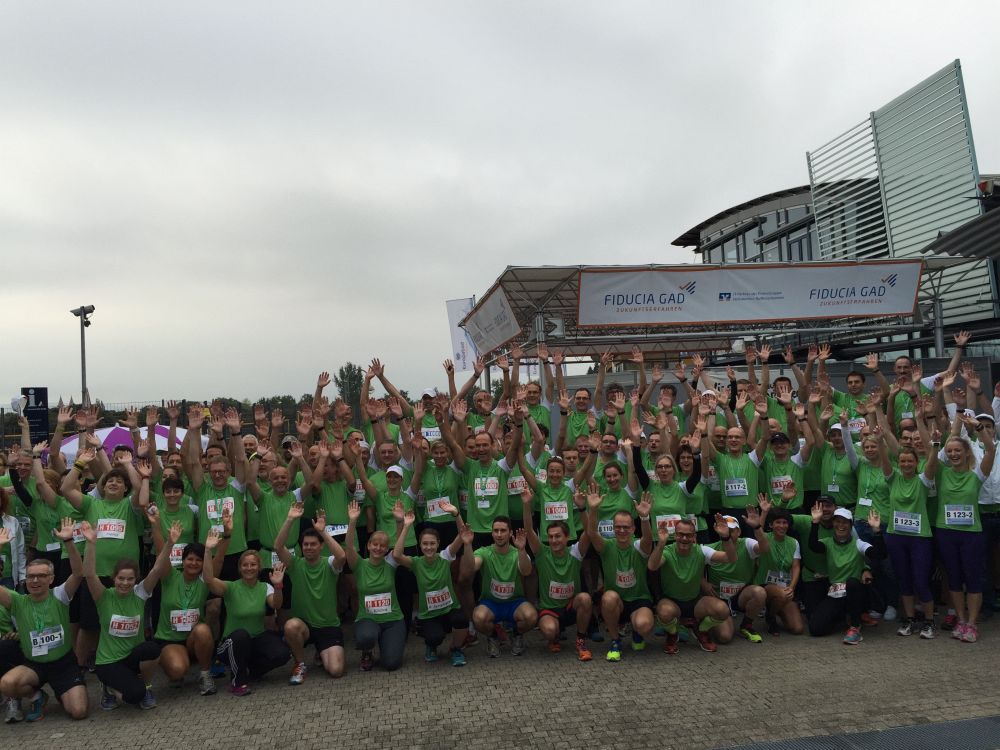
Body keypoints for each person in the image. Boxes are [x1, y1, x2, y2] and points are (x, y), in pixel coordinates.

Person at [83, 520, 177, 710]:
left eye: (130, 579)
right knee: (134, 695)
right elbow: (90, 574)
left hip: (132, 657)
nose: (125, 583)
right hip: (109, 662)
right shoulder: (103, 596)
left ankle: (147, 686)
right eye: (121, 578)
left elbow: (157, 569)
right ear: (114, 578)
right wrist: (91, 543)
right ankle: (108, 687)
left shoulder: (140, 593)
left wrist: (170, 543)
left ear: (136, 580)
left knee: (152, 649)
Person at [0, 518, 87, 722]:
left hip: (64, 665)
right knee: (7, 684)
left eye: (41, 576)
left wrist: (69, 542)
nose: (35, 580)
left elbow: (78, 573)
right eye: (31, 576)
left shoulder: (60, 595)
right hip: (34, 665)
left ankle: (64, 692)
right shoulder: (18, 601)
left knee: (79, 711)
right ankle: (37, 696)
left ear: (51, 578)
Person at [152, 509, 232, 696]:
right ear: (183, 561)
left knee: (203, 630)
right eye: (190, 559)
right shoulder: (169, 576)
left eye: (198, 560)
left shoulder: (205, 580)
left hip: (192, 638)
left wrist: (227, 534)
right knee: (177, 670)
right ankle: (169, 662)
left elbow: (219, 559)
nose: (194, 563)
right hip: (170, 639)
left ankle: (205, 675)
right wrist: (156, 525)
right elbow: (160, 552)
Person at [933, 415, 996, 643]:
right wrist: (945, 431)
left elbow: (990, 450)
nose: (953, 454)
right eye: (950, 451)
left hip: (971, 535)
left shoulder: (976, 475)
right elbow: (933, 454)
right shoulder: (941, 472)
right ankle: (960, 620)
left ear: (967, 452)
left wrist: (978, 427)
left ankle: (972, 623)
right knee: (954, 578)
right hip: (946, 533)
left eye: (957, 450)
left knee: (973, 579)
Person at [203, 533, 290, 695]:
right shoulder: (231, 587)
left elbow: (276, 604)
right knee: (241, 636)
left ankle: (251, 671)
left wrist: (278, 586)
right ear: (240, 568)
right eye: (245, 565)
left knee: (283, 653)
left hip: (255, 639)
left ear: (259, 567)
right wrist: (208, 550)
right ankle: (237, 682)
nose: (249, 568)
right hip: (231, 644)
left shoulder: (265, 587)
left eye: (253, 564)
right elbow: (208, 579)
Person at [275, 502, 347, 683]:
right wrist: (290, 519)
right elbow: (278, 547)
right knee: (290, 626)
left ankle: (320, 652)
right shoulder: (295, 565)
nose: (308, 547)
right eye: (305, 544)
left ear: (321, 546)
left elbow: (341, 556)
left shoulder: (329, 564)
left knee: (336, 670)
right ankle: (300, 664)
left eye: (313, 544)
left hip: (328, 625)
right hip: (305, 626)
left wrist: (322, 531)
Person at [520, 489, 593, 661]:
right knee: (549, 631)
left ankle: (581, 641)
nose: (554, 540)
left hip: (570, 607)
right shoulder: (542, 553)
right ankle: (555, 637)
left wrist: (582, 509)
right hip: (550, 609)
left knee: (585, 598)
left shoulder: (575, 552)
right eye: (551, 537)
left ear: (567, 537)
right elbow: (529, 530)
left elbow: (589, 532)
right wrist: (526, 504)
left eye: (558, 536)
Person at [392, 505, 469, 666]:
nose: (428, 547)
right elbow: (397, 555)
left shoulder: (445, 557)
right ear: (420, 545)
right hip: (429, 615)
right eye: (425, 544)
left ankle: (456, 648)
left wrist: (456, 514)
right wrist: (406, 526)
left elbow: (463, 535)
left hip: (449, 610)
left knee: (462, 620)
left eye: (432, 543)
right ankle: (431, 646)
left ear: (438, 543)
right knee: (435, 637)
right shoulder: (416, 563)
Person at [648, 516, 735, 654]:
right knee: (664, 612)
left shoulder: (702, 550)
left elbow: (731, 558)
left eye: (688, 535)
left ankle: (701, 630)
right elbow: (652, 566)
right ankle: (672, 634)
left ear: (694, 536)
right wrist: (661, 543)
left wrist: (725, 537)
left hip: (695, 602)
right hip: (672, 602)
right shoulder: (667, 551)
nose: (684, 538)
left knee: (722, 610)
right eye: (680, 534)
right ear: (675, 535)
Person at [584, 490, 654, 662]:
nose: (622, 530)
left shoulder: (639, 547)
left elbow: (648, 539)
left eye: (626, 527)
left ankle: (637, 633)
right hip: (617, 603)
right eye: (618, 527)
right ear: (613, 528)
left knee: (644, 625)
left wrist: (645, 517)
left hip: (639, 600)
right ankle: (616, 641)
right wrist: (593, 509)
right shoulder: (607, 547)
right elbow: (592, 533)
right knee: (608, 598)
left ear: (633, 529)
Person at [881, 437, 937, 639]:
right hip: (896, 537)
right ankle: (910, 620)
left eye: (910, 461)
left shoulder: (923, 480)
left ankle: (929, 622)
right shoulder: (893, 478)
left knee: (921, 582)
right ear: (898, 463)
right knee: (904, 581)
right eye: (903, 461)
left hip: (919, 539)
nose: (906, 464)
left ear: (916, 463)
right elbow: (884, 458)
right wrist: (879, 441)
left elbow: (932, 463)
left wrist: (935, 445)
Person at [807, 506, 887, 644]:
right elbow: (813, 546)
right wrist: (815, 522)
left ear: (851, 525)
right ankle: (844, 617)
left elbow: (880, 554)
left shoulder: (858, 544)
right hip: (836, 594)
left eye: (845, 522)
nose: (841, 525)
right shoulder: (828, 542)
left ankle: (855, 627)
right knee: (815, 628)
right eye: (837, 521)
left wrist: (876, 530)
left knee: (852, 583)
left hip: (856, 593)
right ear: (833, 524)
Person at [461, 516, 537, 657]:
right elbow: (470, 568)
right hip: (491, 603)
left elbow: (526, 571)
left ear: (510, 533)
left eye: (503, 530)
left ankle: (516, 634)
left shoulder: (517, 553)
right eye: (496, 531)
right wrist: (467, 545)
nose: (499, 534)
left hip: (515, 602)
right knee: (478, 618)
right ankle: (493, 637)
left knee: (531, 616)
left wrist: (522, 549)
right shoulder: (484, 552)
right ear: (492, 533)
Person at [344, 500, 406, 671]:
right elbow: (348, 546)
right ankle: (367, 651)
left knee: (391, 664)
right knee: (366, 637)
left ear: (387, 549)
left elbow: (399, 547)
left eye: (383, 546)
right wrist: (352, 521)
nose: (378, 548)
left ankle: (387, 645)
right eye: (375, 544)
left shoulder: (391, 563)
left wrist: (400, 522)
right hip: (368, 619)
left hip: (393, 620)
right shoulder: (359, 565)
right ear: (369, 545)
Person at [703, 503, 771, 644]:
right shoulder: (710, 548)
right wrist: (702, 582)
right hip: (719, 596)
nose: (728, 533)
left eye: (731, 530)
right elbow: (694, 564)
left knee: (759, 592)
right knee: (725, 637)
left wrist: (757, 527)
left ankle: (746, 625)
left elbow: (764, 549)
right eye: (725, 529)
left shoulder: (746, 543)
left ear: (738, 532)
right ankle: (709, 620)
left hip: (740, 594)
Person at [754, 499, 804, 636]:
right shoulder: (765, 538)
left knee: (797, 628)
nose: (782, 526)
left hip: (784, 588)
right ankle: (770, 617)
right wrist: (764, 512)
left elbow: (795, 567)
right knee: (781, 594)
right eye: (778, 522)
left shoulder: (793, 542)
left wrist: (791, 588)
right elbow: (758, 530)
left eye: (785, 522)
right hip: (765, 585)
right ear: (771, 525)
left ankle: (777, 609)